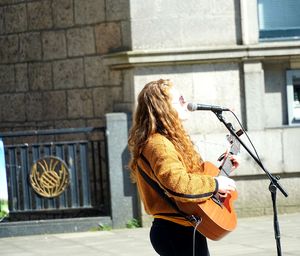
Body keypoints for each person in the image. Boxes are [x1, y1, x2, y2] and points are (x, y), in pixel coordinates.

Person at [128, 79, 238, 256]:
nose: (186, 103)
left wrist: (222, 173)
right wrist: (215, 184)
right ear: (163, 107)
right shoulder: (159, 144)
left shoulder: (169, 141)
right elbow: (178, 184)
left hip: (185, 227)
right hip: (174, 231)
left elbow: (190, 180)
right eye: (180, 100)